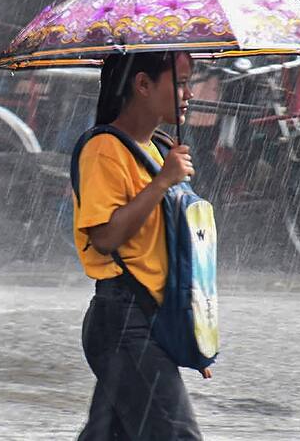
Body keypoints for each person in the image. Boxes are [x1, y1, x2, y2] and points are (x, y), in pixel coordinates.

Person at [74, 51, 206, 441]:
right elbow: (105, 238)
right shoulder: (104, 149)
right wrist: (162, 182)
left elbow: (168, 254)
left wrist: (194, 333)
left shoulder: (160, 148)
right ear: (143, 84)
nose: (189, 94)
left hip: (152, 320)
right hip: (122, 322)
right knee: (177, 435)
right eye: (180, 82)